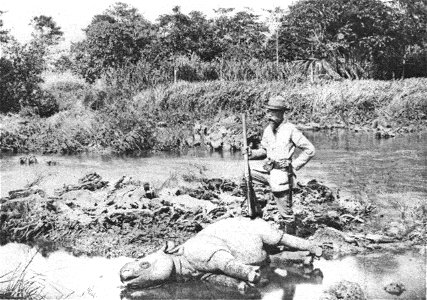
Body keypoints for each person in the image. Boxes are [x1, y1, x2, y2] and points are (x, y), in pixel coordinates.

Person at [243, 95, 315, 233]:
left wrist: (293, 166)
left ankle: (292, 242)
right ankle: (255, 209)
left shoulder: (290, 129)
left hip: (282, 175)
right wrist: (250, 153)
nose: (269, 114)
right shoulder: (268, 130)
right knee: (246, 175)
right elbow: (264, 151)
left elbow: (310, 150)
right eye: (268, 111)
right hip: (267, 171)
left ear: (282, 113)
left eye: (273, 111)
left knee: (285, 213)